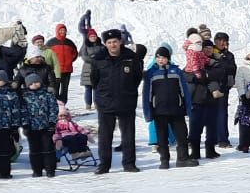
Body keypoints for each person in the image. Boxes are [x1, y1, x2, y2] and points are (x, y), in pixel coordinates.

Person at [90, 28, 146, 173]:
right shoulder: (98, 59)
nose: (113, 45)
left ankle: (129, 164)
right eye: (109, 42)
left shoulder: (131, 57)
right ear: (105, 44)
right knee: (105, 136)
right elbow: (94, 80)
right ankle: (104, 165)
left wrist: (128, 91)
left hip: (126, 100)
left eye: (115, 41)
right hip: (105, 102)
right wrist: (101, 95)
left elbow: (137, 78)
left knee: (128, 134)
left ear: (120, 41)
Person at [142, 45, 194, 169]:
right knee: (162, 138)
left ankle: (183, 158)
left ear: (168, 58)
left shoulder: (176, 71)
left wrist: (187, 107)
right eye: (158, 57)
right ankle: (164, 160)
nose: (161, 60)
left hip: (176, 110)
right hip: (159, 111)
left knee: (182, 136)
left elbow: (184, 91)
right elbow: (147, 95)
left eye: (164, 57)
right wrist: (148, 113)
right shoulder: (151, 73)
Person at [20, 72, 59, 178]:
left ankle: (50, 169)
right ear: (28, 85)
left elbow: (53, 109)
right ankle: (37, 170)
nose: (35, 84)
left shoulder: (47, 94)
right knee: (34, 150)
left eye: (37, 82)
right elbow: (22, 112)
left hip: (46, 127)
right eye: (32, 83)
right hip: (32, 129)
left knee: (48, 148)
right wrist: (25, 125)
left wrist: (52, 123)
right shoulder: (24, 97)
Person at [211, 32, 237, 148]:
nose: (221, 43)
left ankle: (223, 139)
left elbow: (232, 69)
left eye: (224, 40)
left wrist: (228, 84)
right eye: (219, 40)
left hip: (223, 87)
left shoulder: (229, 55)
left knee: (222, 114)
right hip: (211, 87)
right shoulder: (210, 53)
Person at [44, 24, 79, 104]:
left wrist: (70, 60)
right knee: (55, 89)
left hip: (67, 71)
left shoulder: (69, 42)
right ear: (57, 31)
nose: (62, 31)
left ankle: (63, 106)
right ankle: (56, 106)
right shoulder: (51, 42)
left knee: (64, 90)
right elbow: (46, 55)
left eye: (64, 30)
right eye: (61, 30)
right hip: (55, 71)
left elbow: (75, 53)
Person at [78, 29, 101, 110]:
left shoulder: (100, 45)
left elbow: (105, 54)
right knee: (88, 88)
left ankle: (97, 104)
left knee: (96, 88)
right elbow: (84, 56)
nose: (93, 37)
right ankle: (88, 104)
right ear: (88, 37)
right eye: (91, 36)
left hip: (98, 69)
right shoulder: (85, 45)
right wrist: (94, 60)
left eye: (94, 36)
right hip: (87, 69)